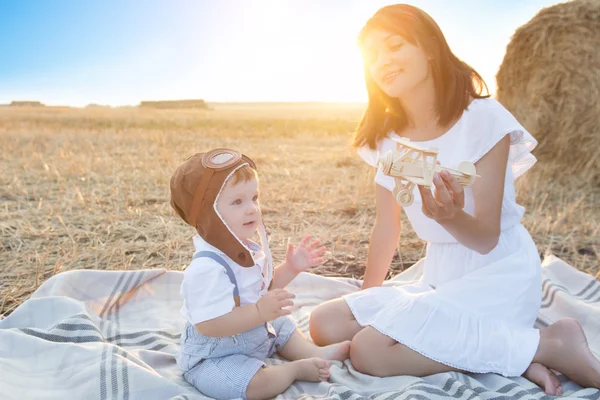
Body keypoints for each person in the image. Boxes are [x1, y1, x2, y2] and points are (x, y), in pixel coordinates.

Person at [309, 4, 600, 396]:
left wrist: (449, 217)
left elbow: (485, 238)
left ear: (429, 47)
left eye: (395, 46)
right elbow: (386, 227)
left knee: (370, 352)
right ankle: (512, 353)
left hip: (498, 272)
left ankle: (553, 343)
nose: (383, 62)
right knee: (325, 322)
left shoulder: (482, 120)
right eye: (373, 55)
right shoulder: (387, 137)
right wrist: (371, 300)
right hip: (439, 275)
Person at [170, 148, 351, 400]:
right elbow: (208, 324)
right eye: (237, 202)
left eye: (254, 198)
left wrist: (291, 268)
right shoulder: (207, 269)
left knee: (281, 322)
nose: (252, 209)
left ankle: (313, 352)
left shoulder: (244, 248)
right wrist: (259, 312)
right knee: (251, 386)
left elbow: (261, 289)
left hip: (253, 333)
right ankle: (292, 370)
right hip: (216, 355)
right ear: (207, 214)